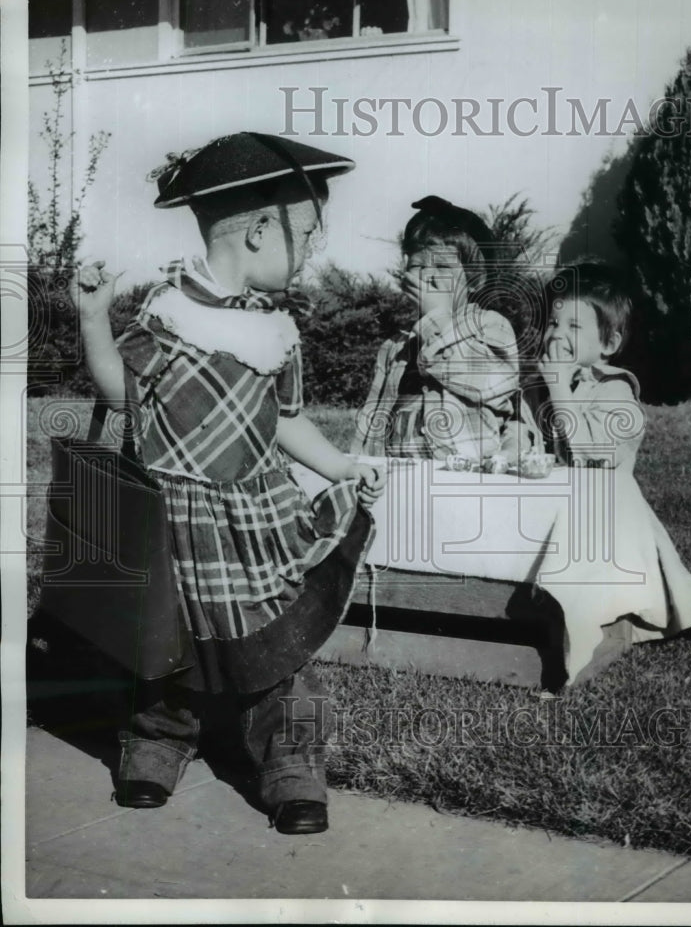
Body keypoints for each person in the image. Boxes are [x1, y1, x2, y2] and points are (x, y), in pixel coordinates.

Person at [70, 131, 385, 835]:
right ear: (258, 233)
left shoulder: (277, 330)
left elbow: (286, 420)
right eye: (305, 234)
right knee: (164, 638)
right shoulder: (168, 312)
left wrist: (337, 466)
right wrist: (94, 319)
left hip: (255, 517)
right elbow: (123, 394)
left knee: (278, 639)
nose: (310, 251)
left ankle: (292, 760)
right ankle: (157, 739)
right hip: (174, 516)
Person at [351, 195, 538, 462]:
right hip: (404, 474)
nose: (428, 275)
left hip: (469, 475)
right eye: (417, 266)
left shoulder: (490, 326)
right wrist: (360, 466)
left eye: (442, 266)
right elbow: (373, 416)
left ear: (475, 279)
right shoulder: (396, 345)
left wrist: (437, 318)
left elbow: (492, 385)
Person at [535, 261, 644, 469]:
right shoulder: (538, 385)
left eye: (574, 326)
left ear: (609, 343)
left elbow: (592, 453)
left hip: (599, 497)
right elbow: (521, 427)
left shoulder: (615, 392)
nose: (557, 334)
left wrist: (559, 389)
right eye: (553, 323)